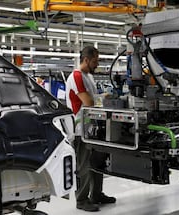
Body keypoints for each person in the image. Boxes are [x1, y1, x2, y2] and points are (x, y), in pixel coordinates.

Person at [66, 46, 116, 212]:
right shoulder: (76, 76)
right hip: (80, 129)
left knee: (97, 162)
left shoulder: (89, 76)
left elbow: (92, 100)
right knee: (84, 165)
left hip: (92, 127)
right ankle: (81, 199)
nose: (97, 64)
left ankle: (96, 194)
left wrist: (101, 98)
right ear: (86, 60)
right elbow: (88, 102)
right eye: (95, 61)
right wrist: (102, 98)